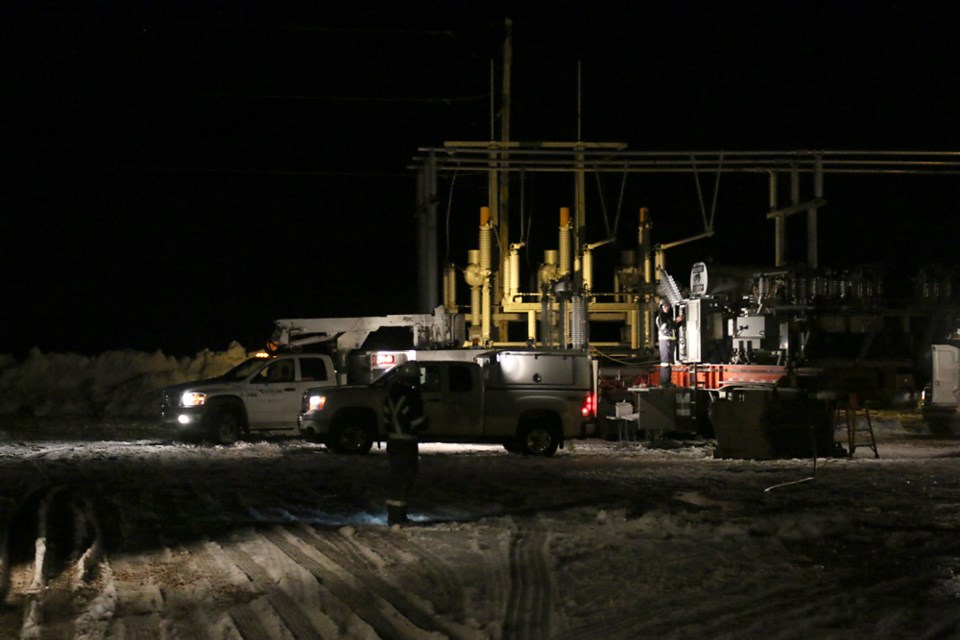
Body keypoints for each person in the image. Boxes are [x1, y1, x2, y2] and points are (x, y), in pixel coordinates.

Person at [381, 362, 427, 525]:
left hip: (392, 442)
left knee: (395, 477)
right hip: (406, 443)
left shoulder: (391, 396)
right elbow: (418, 422)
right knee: (405, 477)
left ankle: (393, 514)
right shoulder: (412, 397)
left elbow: (386, 420)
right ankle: (398, 517)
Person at [655, 299, 684, 387]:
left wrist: (680, 321)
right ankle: (665, 383)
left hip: (670, 342)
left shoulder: (668, 317)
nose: (666, 308)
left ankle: (668, 382)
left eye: (667, 306)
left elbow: (673, 327)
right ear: (661, 307)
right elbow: (666, 328)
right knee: (665, 363)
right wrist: (676, 321)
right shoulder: (660, 317)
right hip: (665, 342)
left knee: (669, 363)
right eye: (664, 306)